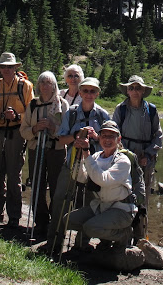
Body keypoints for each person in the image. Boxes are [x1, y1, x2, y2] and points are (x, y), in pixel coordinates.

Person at [46, 77, 110, 253]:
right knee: (60, 201)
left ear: (97, 93)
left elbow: (111, 144)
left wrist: (96, 137)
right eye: (85, 91)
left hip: (94, 167)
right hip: (72, 163)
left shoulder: (103, 115)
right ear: (80, 92)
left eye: (92, 91)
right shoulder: (72, 113)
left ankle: (82, 244)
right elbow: (61, 139)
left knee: (90, 205)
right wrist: (76, 137)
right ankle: (54, 242)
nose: (89, 94)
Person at [65, 120, 136, 254]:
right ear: (99, 138)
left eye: (111, 136)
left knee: (90, 228)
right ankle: (105, 237)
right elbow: (80, 177)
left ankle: (123, 235)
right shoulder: (96, 156)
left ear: (118, 139)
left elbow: (103, 180)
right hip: (101, 206)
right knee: (68, 220)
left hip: (121, 209)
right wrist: (80, 155)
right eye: (104, 136)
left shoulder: (123, 161)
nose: (107, 140)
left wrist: (86, 152)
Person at [0, 52, 33, 227]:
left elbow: (31, 113)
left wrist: (17, 116)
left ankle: (14, 216)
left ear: (15, 68)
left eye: (9, 67)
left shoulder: (25, 86)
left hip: (16, 134)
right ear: (0, 68)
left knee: (14, 175)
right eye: (3, 67)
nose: (6, 70)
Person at [112, 75, 162, 241]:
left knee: (143, 197)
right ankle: (121, 235)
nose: (134, 91)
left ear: (143, 91)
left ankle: (140, 236)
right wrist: (124, 154)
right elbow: (113, 134)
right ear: (127, 91)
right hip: (124, 158)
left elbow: (158, 136)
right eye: (131, 88)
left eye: (138, 88)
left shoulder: (151, 110)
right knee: (122, 194)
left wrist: (147, 154)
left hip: (145, 160)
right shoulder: (121, 109)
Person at [20, 71, 69, 237]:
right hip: (36, 149)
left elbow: (66, 131)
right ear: (38, 86)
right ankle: (40, 222)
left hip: (57, 150)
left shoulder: (62, 104)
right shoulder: (33, 105)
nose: (45, 86)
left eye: (49, 83)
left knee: (56, 187)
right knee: (37, 185)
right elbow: (23, 130)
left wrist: (52, 127)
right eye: (42, 83)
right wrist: (35, 128)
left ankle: (55, 222)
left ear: (54, 86)